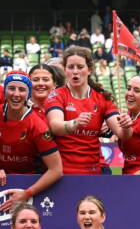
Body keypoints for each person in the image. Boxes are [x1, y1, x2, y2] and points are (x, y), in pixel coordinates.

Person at [0, 71, 62, 204]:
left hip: (28, 182)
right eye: (11, 88)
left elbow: (56, 170)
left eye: (22, 89)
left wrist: (27, 193)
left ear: (28, 94)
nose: (16, 94)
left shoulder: (38, 126)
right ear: (4, 91)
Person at [45, 46, 128, 174]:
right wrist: (75, 123)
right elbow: (55, 126)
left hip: (93, 171)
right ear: (65, 70)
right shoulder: (56, 95)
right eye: (71, 67)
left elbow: (123, 134)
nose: (75, 71)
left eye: (80, 67)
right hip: (62, 172)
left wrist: (126, 125)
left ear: (89, 70)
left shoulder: (102, 98)